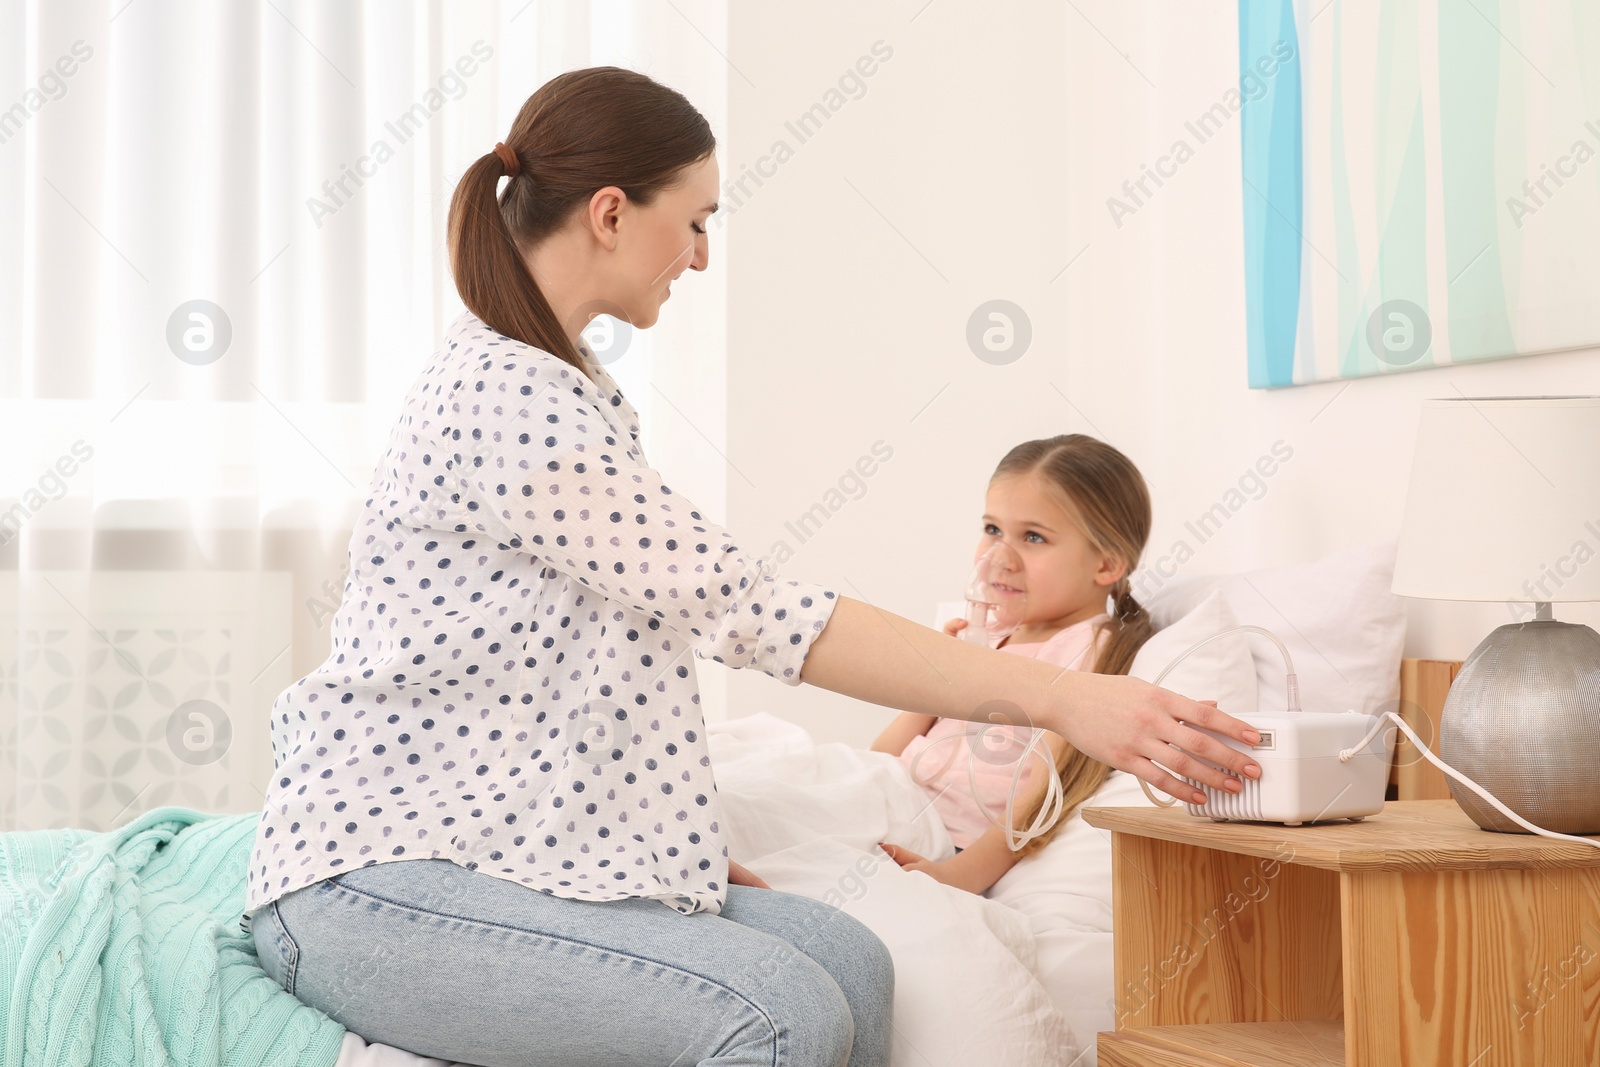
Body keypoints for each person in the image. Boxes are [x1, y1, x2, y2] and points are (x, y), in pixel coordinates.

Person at [244, 66, 1261, 1067]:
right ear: (609, 212)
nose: (696, 256)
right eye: (693, 221)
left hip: (495, 849)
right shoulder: (516, 403)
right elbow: (758, 612)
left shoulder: (566, 385)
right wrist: (1060, 699)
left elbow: (563, 678)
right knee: (778, 1014)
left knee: (850, 961)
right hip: (378, 876)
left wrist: (654, 847)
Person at [873, 435, 1162, 896]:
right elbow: (879, 758)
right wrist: (936, 680)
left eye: (1032, 537)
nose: (998, 559)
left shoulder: (1087, 655)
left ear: (1106, 563)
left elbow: (1046, 790)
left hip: (945, 839)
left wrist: (959, 877)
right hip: (887, 803)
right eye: (992, 530)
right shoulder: (983, 634)